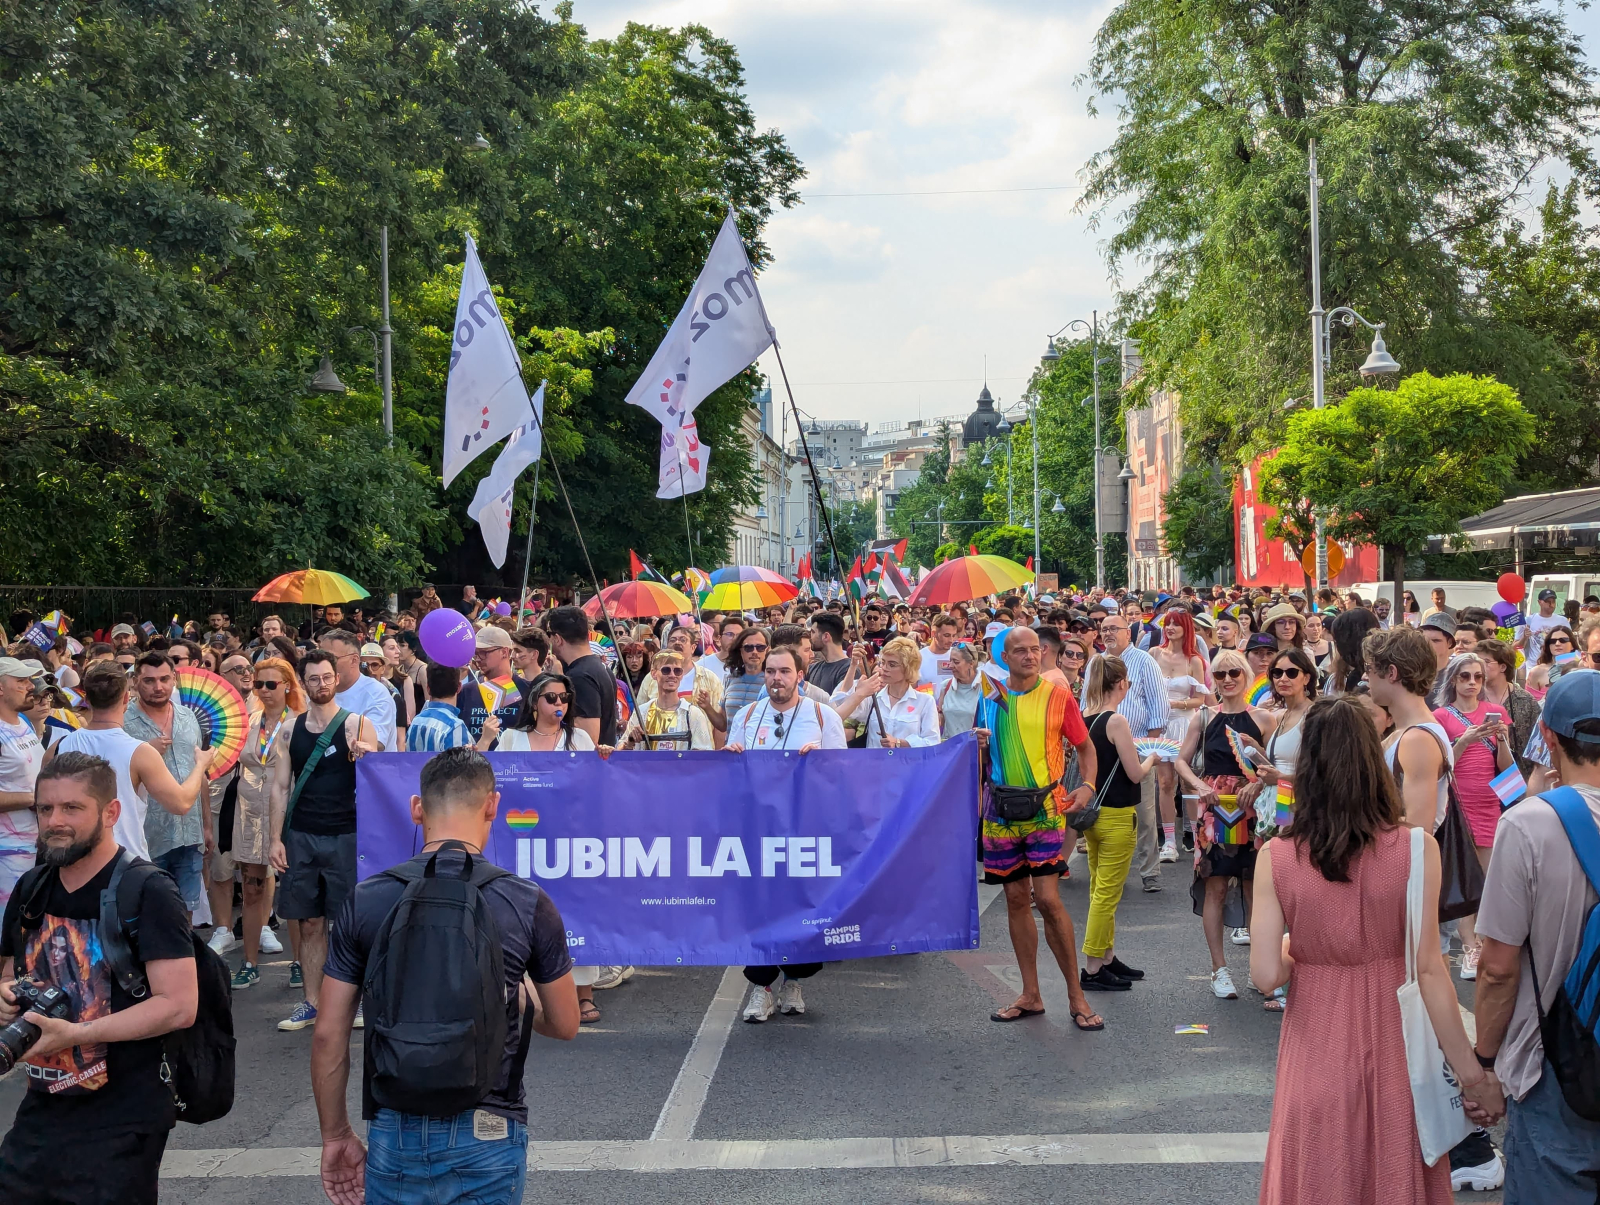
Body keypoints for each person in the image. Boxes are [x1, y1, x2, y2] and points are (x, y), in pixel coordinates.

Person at [1250, 698, 1502, 1204]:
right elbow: (1430, 971)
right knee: (1392, 1172)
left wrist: (1301, 949)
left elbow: (1264, 975)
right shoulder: (1415, 848)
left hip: (1315, 1041)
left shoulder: (1276, 856)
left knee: (1318, 1172)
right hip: (1397, 1044)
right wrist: (1474, 1078)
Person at [312, 747, 580, 1205]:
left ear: (418, 810)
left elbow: (327, 1034)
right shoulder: (526, 901)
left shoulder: (367, 898)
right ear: (492, 805)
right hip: (489, 1128)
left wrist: (336, 1134)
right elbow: (566, 1023)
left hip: (396, 1126)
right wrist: (520, 999)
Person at [0, 753, 201, 1205]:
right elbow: (12, 973)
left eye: (72, 808)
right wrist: (5, 995)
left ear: (111, 813)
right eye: (45, 808)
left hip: (124, 1112)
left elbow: (179, 1004)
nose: (55, 821)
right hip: (44, 1102)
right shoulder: (31, 887)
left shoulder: (148, 890)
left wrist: (76, 1033)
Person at [1470, 669, 1600, 1201]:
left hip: (1557, 1060)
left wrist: (1483, 1063)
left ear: (1547, 737)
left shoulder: (1530, 824)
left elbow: (1499, 967)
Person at [973, 627, 1103, 1030]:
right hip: (999, 810)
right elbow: (982, 756)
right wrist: (975, 749)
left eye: (1036, 649)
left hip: (1046, 807)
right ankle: (1031, 994)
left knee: (1047, 899)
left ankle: (1076, 997)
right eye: (1021, 651)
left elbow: (1084, 746)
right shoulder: (989, 697)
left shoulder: (1058, 696)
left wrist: (1087, 786)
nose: (1031, 656)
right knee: (1015, 899)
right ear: (1005, 657)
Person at [723, 646, 846, 1022]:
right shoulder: (746, 715)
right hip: (758, 832)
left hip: (806, 831)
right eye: (771, 672)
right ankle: (761, 989)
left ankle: (794, 980)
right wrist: (731, 754)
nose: (777, 678)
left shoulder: (823, 718)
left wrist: (822, 761)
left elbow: (843, 775)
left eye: (784, 671)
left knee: (803, 909)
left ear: (800, 676)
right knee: (759, 911)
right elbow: (731, 776)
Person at [272, 650, 379, 1032]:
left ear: (338, 679)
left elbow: (382, 776)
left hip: (348, 836)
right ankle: (312, 1003)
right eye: (313, 678)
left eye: (327, 677)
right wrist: (275, 839)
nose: (321, 684)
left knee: (350, 923)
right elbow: (280, 787)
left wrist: (366, 753)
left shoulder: (359, 724)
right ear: (302, 681)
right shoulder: (289, 729)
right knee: (310, 923)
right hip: (301, 836)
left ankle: (361, 1002)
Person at [1175, 648, 1279, 995]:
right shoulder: (1204, 717)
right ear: (1214, 681)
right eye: (1220, 675)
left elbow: (1275, 766)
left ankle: (1258, 967)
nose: (1228, 680)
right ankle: (1219, 970)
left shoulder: (1264, 718)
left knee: (1256, 888)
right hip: (1215, 807)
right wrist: (1201, 785)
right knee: (1216, 886)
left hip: (1256, 808)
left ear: (1246, 676)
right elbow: (1181, 761)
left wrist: (1258, 780)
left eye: (1234, 673)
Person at [210, 657, 299, 986]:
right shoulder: (248, 720)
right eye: (259, 684)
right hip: (248, 811)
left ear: (287, 685)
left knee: (292, 890)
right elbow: (229, 760)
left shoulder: (298, 722)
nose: (263, 690)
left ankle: (299, 962)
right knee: (250, 890)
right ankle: (249, 964)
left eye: (271, 684)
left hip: (286, 810)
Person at [1077, 655, 1158, 991]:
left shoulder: (1087, 717)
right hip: (1117, 815)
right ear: (1122, 683)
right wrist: (1153, 756)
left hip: (1094, 813)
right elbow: (1134, 772)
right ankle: (1093, 967)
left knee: (1100, 888)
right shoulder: (1116, 721)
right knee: (1106, 895)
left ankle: (1107, 959)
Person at [1433, 653, 1514, 982]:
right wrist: (1464, 740)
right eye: (1465, 676)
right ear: (1453, 679)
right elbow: (1439, 765)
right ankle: (1470, 947)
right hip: (1456, 804)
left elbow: (1507, 770)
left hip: (1489, 802)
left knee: (1486, 878)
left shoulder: (1496, 713)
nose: (1472, 683)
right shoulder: (1440, 716)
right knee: (1465, 878)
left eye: (1478, 677)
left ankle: (1481, 942)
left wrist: (1503, 739)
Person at [122, 652, 210, 923]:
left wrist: (207, 824)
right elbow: (115, 776)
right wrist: (146, 750)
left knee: (186, 911)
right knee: (148, 912)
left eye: (164, 679)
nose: (158, 687)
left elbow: (200, 771)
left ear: (174, 679)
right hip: (147, 835)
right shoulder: (124, 722)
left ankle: (184, 963)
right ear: (135, 682)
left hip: (190, 830)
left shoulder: (188, 717)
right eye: (149, 680)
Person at [1098, 612, 1171, 893]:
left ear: (1128, 633)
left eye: (1113, 628)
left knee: (1143, 812)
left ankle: (1149, 870)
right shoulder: (1096, 663)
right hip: (1103, 748)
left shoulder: (1143, 662)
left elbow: (1158, 706)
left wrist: (1149, 746)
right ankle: (1107, 868)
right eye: (1103, 629)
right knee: (1105, 809)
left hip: (1138, 746)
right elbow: (1087, 703)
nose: (1107, 633)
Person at [1153, 610, 1210, 865]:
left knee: (1187, 784)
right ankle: (1168, 841)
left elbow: (1201, 699)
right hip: (1160, 726)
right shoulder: (1154, 654)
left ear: (1187, 628)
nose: (1171, 628)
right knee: (1165, 782)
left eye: (1176, 624)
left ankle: (1194, 834)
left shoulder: (1194, 660)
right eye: (1168, 624)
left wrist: (1176, 702)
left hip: (1184, 724)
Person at [831, 636, 940, 748]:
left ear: (908, 668)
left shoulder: (925, 701)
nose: (884, 668)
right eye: (883, 662)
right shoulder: (873, 696)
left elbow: (933, 742)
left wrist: (899, 743)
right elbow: (842, 704)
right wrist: (853, 665)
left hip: (907, 764)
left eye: (892, 664)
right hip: (874, 764)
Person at [0, 659, 43, 909]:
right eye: (22, 681)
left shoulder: (23, 723)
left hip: (35, 848)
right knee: (9, 933)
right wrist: (34, 799)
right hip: (7, 854)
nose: (31, 686)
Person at [546, 606, 619, 749]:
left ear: (557, 639)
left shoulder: (580, 677)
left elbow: (587, 739)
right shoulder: (598, 666)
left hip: (584, 766)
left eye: (549, 634)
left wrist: (559, 681)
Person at [317, 629, 397, 753]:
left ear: (354, 660)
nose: (322, 664)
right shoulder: (316, 689)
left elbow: (374, 744)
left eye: (331, 658)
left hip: (363, 771)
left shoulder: (376, 694)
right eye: (319, 657)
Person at [620, 652, 714, 751]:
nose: (672, 675)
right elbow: (621, 751)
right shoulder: (642, 711)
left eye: (677, 671)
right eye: (666, 670)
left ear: (681, 675)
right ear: (654, 674)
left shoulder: (693, 714)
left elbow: (703, 756)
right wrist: (630, 742)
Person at [1476, 639, 1541, 778]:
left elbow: (1538, 747)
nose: (1479, 667)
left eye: (1486, 662)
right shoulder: (1472, 698)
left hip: (1519, 781)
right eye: (1477, 661)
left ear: (1503, 667)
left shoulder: (1526, 700)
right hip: (1479, 780)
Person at [408, 664, 500, 752]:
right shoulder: (455, 727)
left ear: (428, 688)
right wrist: (485, 740)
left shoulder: (416, 721)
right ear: (459, 687)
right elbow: (465, 767)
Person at [455, 626, 522, 747]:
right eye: (475, 653)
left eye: (484, 653)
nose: (477, 659)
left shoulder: (527, 690)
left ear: (504, 652)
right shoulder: (466, 692)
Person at [719, 626, 772, 721]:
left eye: (760, 648)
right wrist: (707, 707)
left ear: (767, 650)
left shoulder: (772, 680)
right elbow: (723, 724)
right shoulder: (731, 678)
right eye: (748, 648)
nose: (755, 652)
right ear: (740, 651)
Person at [936, 643, 983, 738]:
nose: (951, 665)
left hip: (973, 749)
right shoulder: (946, 686)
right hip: (950, 749)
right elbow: (940, 719)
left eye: (956, 662)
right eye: (950, 661)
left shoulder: (984, 688)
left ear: (971, 663)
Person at [805, 611, 852, 695]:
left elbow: (843, 703)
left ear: (826, 636)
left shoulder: (848, 669)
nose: (810, 636)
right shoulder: (812, 668)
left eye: (813, 632)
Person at [1527, 625, 1577, 698]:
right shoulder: (1537, 671)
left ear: (1572, 645)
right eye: (1552, 641)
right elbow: (1530, 705)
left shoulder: (1582, 668)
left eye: (1563, 640)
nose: (1557, 644)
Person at [1418, 613, 1457, 707]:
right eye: (1425, 640)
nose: (1429, 645)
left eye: (1435, 641)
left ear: (1449, 642)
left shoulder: (1458, 671)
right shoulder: (1413, 671)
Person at [918, 614, 961, 691]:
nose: (951, 640)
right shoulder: (918, 657)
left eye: (953, 635)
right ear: (933, 634)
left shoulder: (958, 656)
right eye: (947, 635)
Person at [1523, 587, 1564, 660]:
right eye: (1547, 601)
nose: (1551, 605)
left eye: (1553, 601)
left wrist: (1561, 662)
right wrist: (1524, 638)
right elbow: (1515, 647)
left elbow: (1571, 648)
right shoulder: (1528, 620)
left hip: (1555, 667)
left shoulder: (1562, 621)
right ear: (1539, 602)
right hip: (1533, 666)